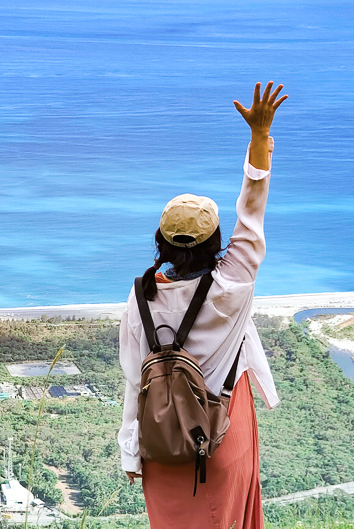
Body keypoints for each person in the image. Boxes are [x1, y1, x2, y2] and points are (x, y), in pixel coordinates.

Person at [117, 81, 287, 528]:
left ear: (160, 242)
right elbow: (252, 212)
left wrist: (130, 451)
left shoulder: (140, 299)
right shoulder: (233, 285)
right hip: (219, 437)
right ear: (217, 241)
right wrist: (258, 137)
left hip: (161, 448)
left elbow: (136, 382)